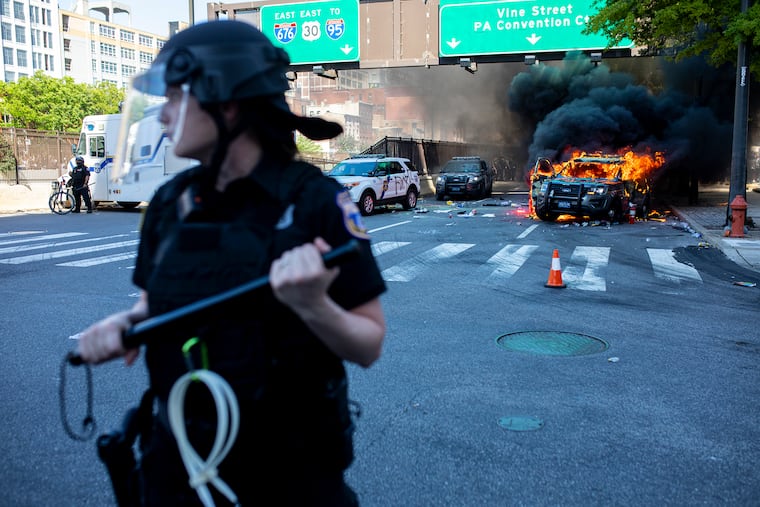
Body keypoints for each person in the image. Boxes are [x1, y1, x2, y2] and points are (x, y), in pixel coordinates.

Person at [76, 20, 387, 506]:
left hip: (291, 477)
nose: (162, 116)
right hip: (177, 467)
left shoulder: (317, 202)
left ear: (228, 103)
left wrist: (314, 306)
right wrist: (123, 325)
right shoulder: (168, 203)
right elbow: (151, 306)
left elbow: (369, 344)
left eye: (176, 97)